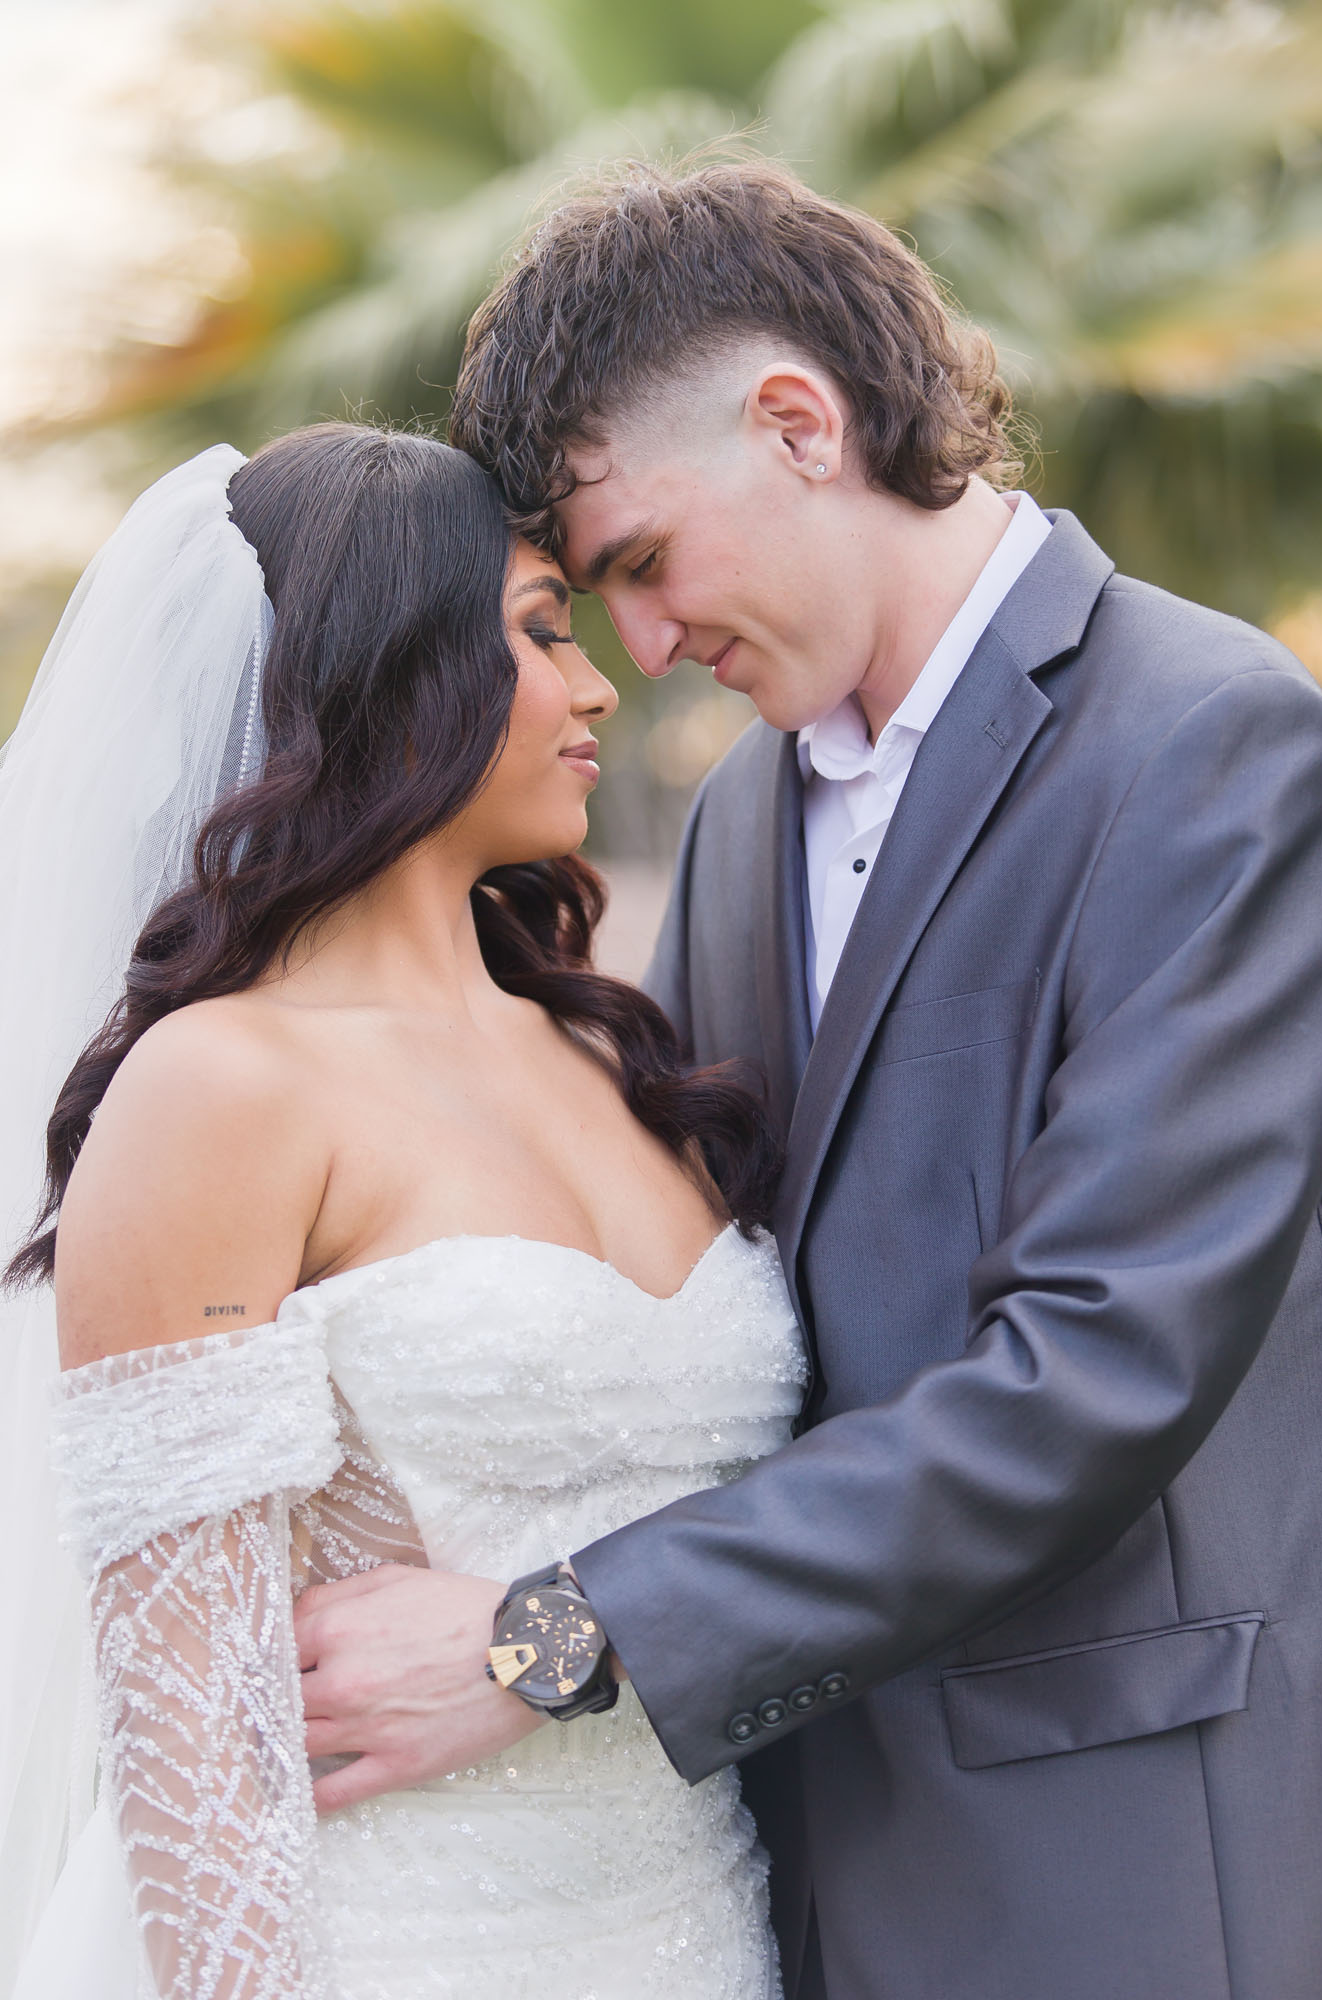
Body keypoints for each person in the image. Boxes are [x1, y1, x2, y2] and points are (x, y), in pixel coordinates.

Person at [297, 163, 1322, 2000]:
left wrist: (555, 1638)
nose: (642, 647)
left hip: (1113, 1859)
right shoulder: (749, 807)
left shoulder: (1210, 742)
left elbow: (1097, 1369)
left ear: (798, 422)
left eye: (637, 562)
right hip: (766, 1868)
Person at [1, 422, 808, 1999]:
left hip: (706, 1931)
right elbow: (194, 1744)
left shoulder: (606, 1048)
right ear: (391, 670)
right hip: (399, 1946)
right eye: (539, 631)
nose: (598, 690)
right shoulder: (222, 1089)